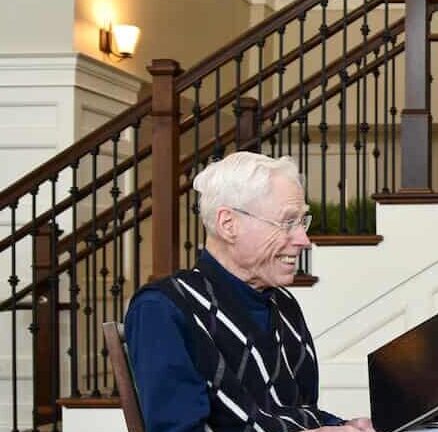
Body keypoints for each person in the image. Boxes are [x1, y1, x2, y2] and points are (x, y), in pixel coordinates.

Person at [124, 152, 373, 432]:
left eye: (302, 221)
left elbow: (294, 414)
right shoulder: (163, 309)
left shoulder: (283, 304)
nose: (304, 239)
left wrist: (345, 426)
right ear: (228, 224)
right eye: (288, 222)